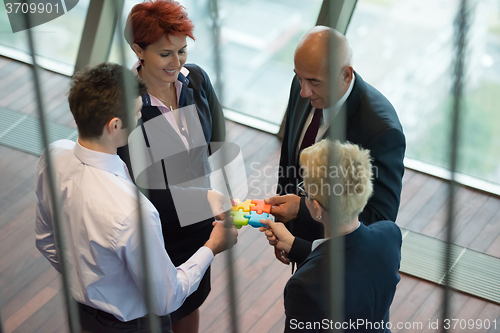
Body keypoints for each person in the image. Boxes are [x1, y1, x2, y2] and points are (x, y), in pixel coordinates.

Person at [35, 63, 238, 333]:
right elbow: (167, 298)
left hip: (81, 314)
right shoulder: (135, 213)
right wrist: (212, 246)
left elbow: (45, 241)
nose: (141, 119)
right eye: (137, 113)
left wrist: (86, 280)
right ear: (115, 125)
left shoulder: (53, 155)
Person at [117, 2, 226, 332]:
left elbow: (214, 140)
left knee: (190, 303)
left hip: (199, 227)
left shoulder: (196, 81)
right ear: (139, 50)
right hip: (159, 235)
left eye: (182, 51)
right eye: (166, 54)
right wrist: (206, 200)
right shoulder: (128, 106)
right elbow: (139, 190)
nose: (177, 63)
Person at [266, 26, 406, 265]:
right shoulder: (303, 81)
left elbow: (378, 219)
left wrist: (302, 210)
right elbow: (290, 160)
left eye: (314, 82)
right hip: (301, 246)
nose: (303, 91)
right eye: (299, 78)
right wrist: (287, 227)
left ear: (346, 75)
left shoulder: (381, 131)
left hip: (344, 263)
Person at [261, 140, 402, 332]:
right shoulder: (390, 235)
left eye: (305, 192)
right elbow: (352, 264)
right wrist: (295, 245)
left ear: (317, 207)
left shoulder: (303, 285)